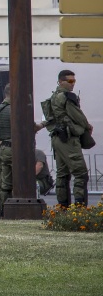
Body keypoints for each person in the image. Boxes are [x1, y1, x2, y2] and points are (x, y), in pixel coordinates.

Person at [44, 70, 94, 207]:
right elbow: (78, 116)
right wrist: (87, 125)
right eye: (70, 81)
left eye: (74, 81)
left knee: (62, 174)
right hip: (68, 139)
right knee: (81, 173)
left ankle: (63, 207)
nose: (72, 84)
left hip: (58, 138)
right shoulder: (66, 96)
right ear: (61, 82)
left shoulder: (54, 96)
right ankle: (79, 208)